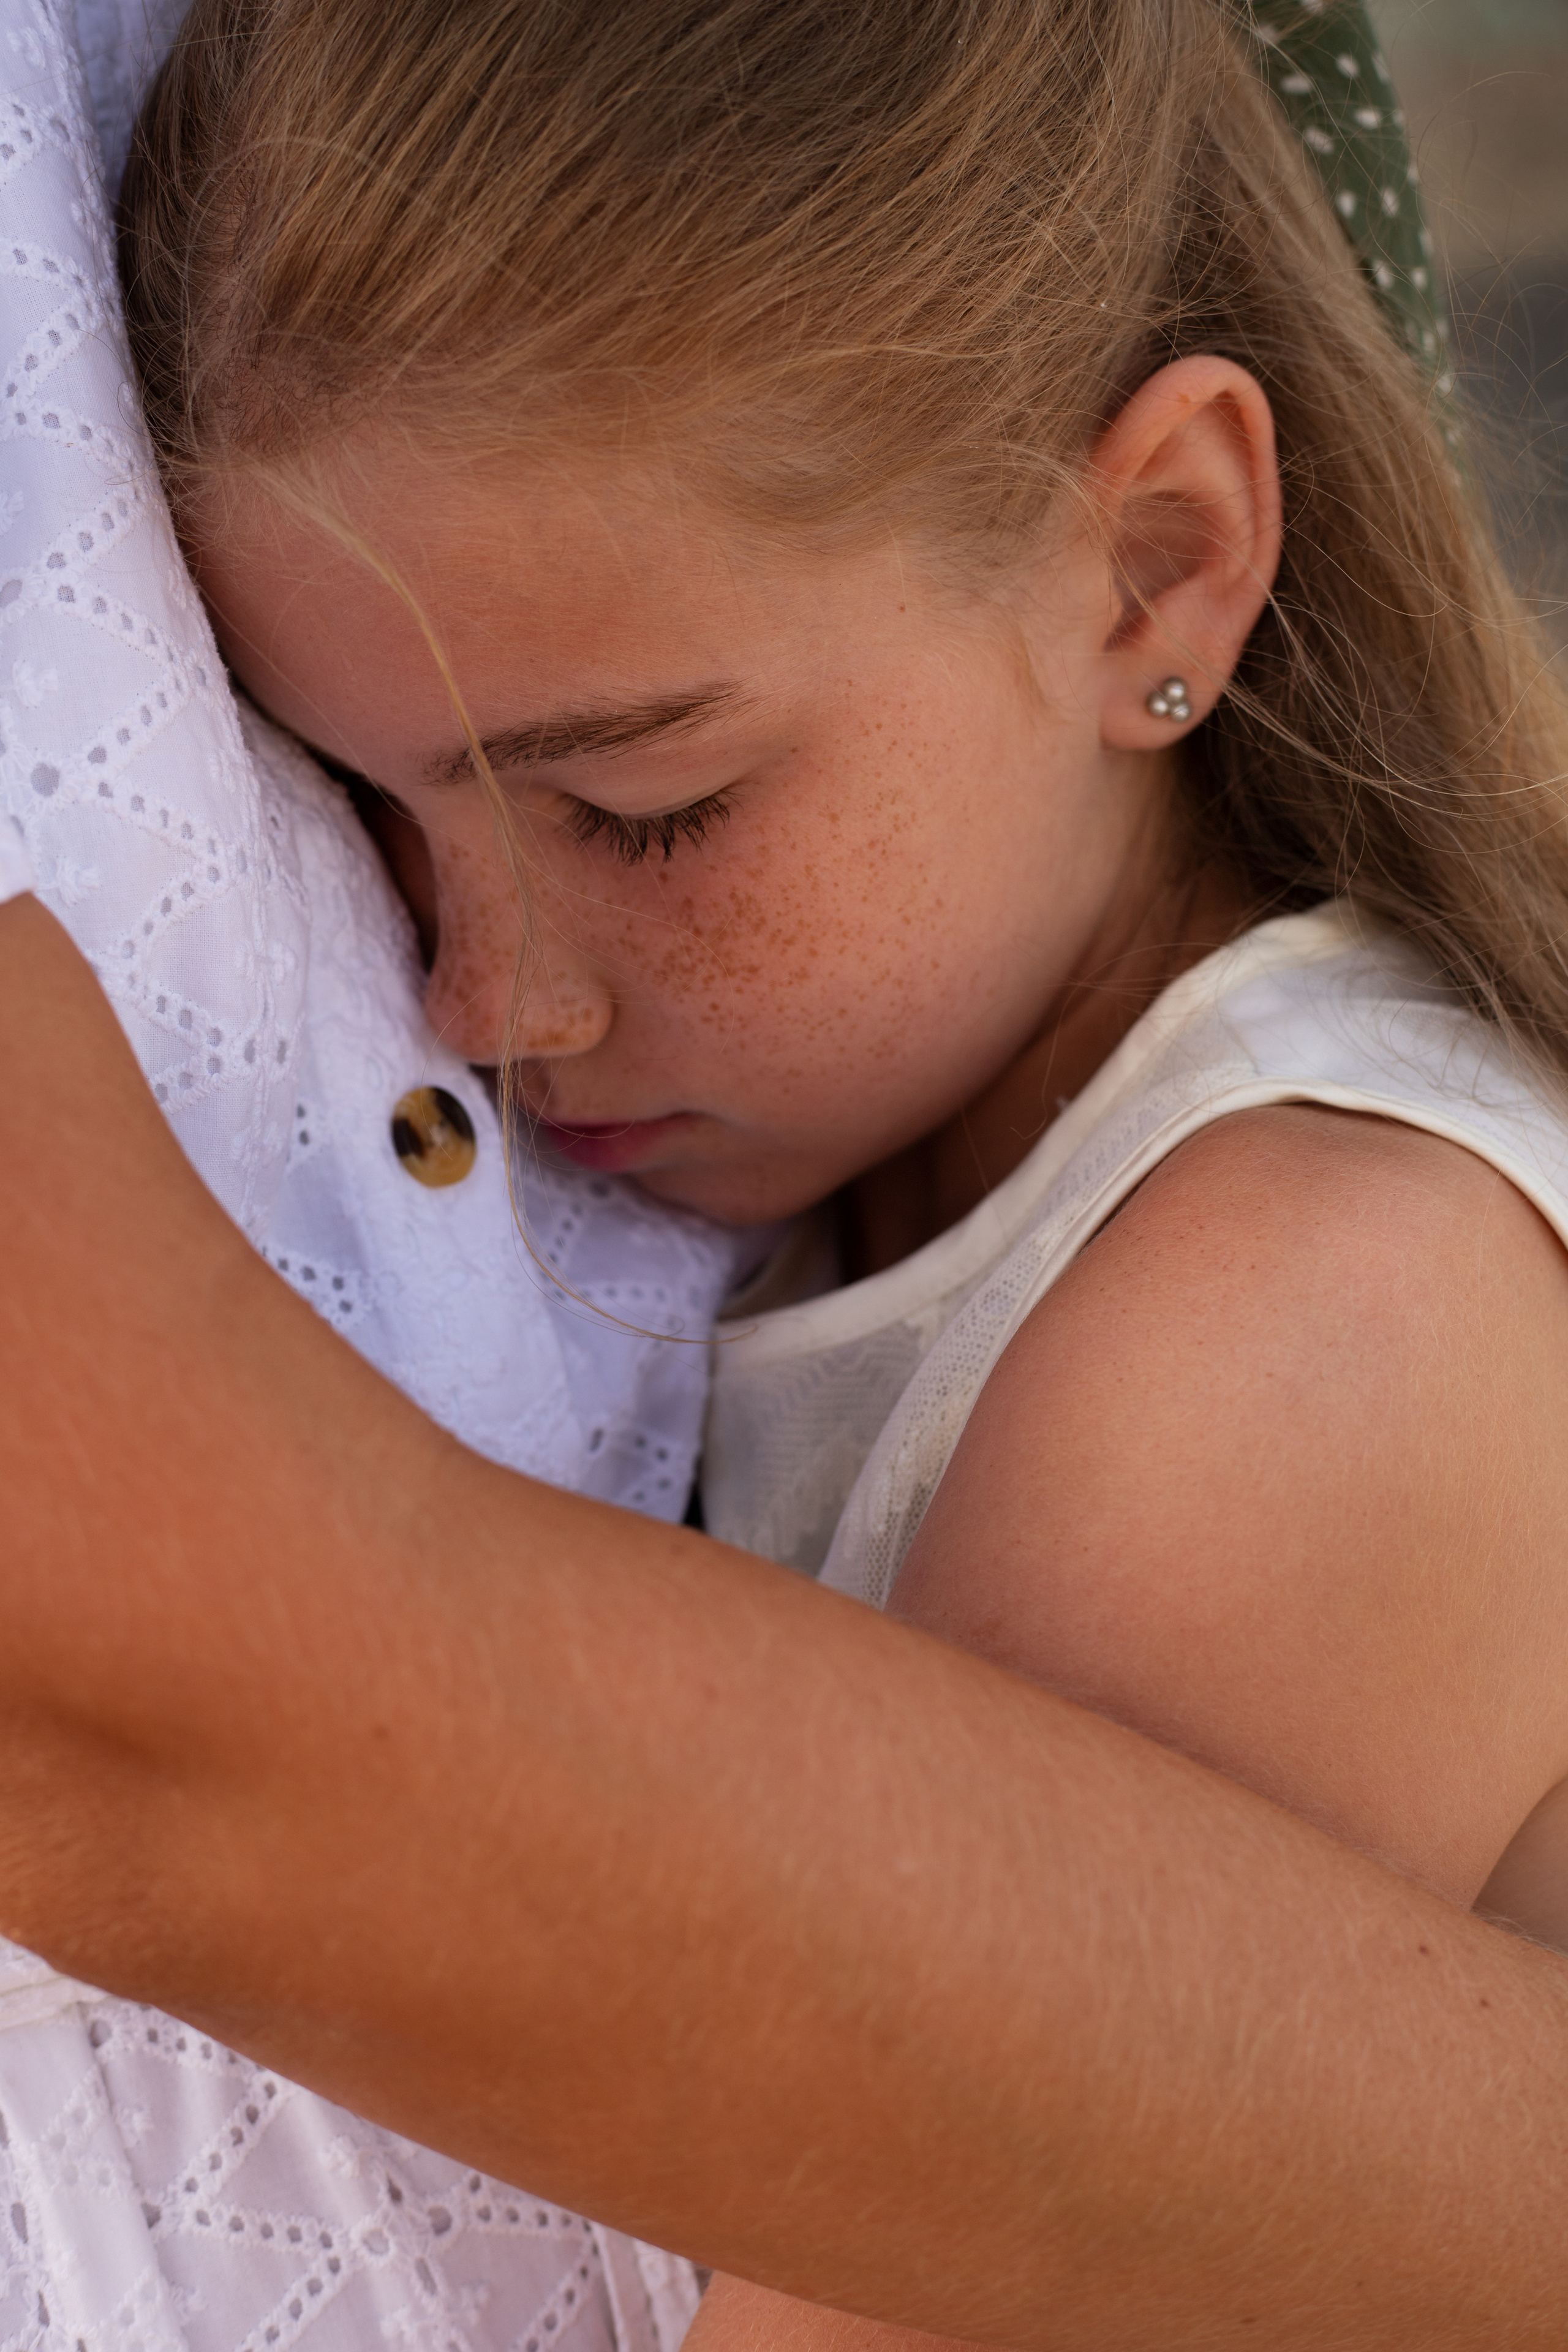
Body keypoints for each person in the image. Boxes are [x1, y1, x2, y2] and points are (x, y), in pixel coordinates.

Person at [8, 0, 1568, 2345]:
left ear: (1159, 563)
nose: (484, 998)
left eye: (646, 813)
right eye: (378, 828)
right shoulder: (916, 1171)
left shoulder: (1308, 1312)